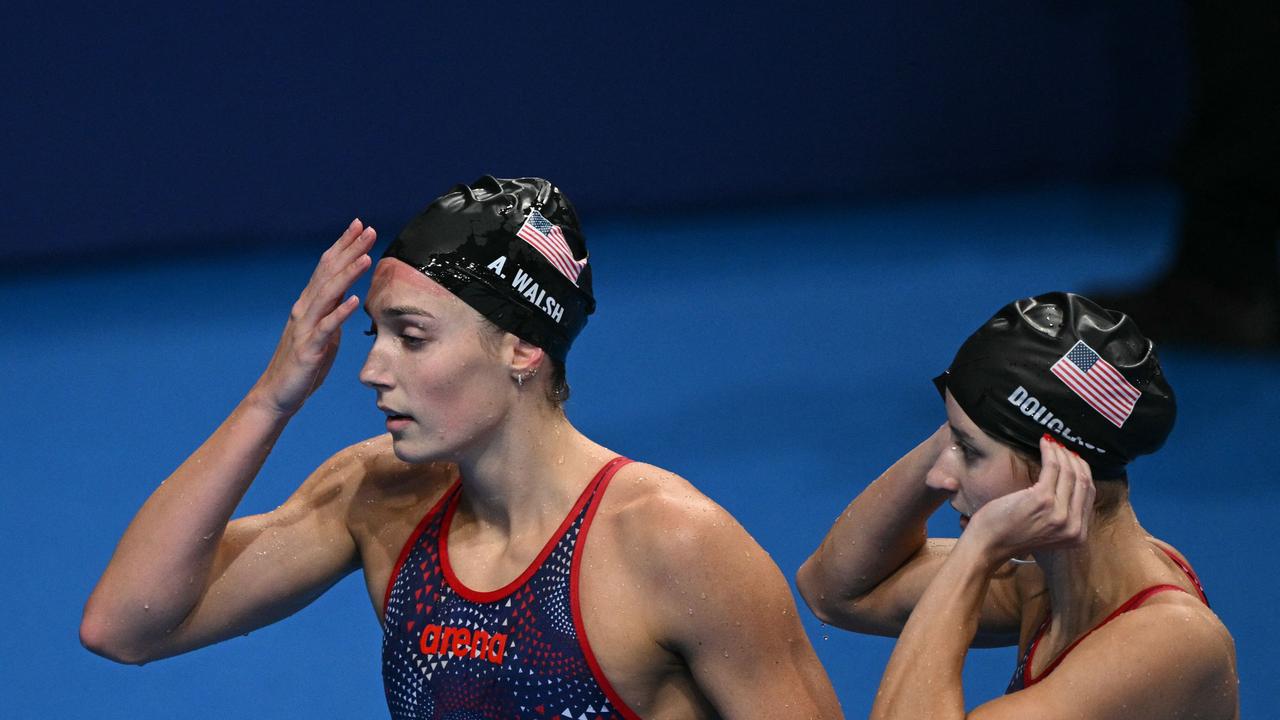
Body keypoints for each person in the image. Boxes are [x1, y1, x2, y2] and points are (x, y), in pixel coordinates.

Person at [81, 176, 842, 719]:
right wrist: (272, 397)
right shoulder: (377, 497)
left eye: (411, 337)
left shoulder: (674, 543)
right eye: (376, 333)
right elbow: (125, 625)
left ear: (521, 349)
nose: (372, 368)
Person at [796, 292, 1238, 719]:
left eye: (968, 451)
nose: (938, 476)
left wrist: (977, 553)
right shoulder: (1049, 581)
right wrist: (970, 412)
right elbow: (834, 590)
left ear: (1054, 469)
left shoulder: (1169, 642)